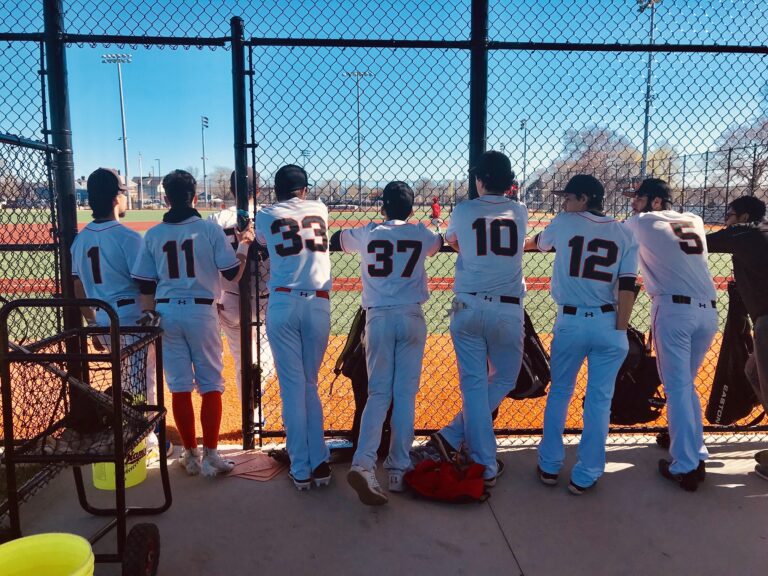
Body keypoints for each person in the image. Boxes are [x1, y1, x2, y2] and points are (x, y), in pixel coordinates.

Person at [132, 169, 253, 477]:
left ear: (166, 199)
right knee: (211, 385)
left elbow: (144, 284)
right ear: (195, 197)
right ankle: (211, 454)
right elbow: (232, 274)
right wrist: (244, 245)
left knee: (180, 387)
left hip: (166, 313)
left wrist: (148, 313)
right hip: (201, 312)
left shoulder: (154, 234)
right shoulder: (208, 229)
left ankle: (190, 455)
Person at [332, 181, 442, 505]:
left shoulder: (369, 231)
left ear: (383, 206)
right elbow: (438, 243)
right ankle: (397, 469)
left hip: (378, 317)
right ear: (411, 209)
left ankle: (363, 463)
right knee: (405, 395)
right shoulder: (420, 232)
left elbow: (337, 240)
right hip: (411, 315)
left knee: (378, 394)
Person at [528, 174, 638, 495]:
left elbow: (540, 242)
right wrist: (620, 331)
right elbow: (628, 286)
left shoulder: (565, 222)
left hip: (571, 322)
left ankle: (550, 465)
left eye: (569, 197)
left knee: (560, 392)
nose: (564, 203)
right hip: (610, 322)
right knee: (600, 401)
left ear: (585, 199)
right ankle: (586, 474)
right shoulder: (624, 232)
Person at [429, 150, 527, 487]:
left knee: (473, 383)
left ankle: (461, 442)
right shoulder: (520, 210)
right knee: (505, 377)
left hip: (464, 303)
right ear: (508, 181)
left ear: (481, 180)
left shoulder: (463, 209)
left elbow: (454, 242)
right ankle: (463, 444)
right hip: (508, 306)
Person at [70, 168, 171, 457]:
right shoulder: (128, 237)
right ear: (116, 198)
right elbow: (145, 282)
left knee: (128, 377)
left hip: (102, 317)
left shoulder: (80, 240)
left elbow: (78, 286)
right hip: (130, 317)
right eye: (124, 193)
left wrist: (92, 323)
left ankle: (139, 432)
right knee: (141, 379)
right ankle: (144, 441)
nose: (126, 199)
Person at [624, 178, 717, 492]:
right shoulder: (694, 220)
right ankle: (696, 454)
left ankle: (685, 466)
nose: (633, 203)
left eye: (638, 198)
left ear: (656, 202)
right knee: (684, 386)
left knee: (677, 389)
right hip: (708, 312)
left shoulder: (642, 222)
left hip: (674, 311)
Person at [254, 164, 332, 491]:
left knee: (293, 387)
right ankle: (320, 462)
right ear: (304, 190)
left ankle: (301, 468)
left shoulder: (265, 214)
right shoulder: (320, 209)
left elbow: (261, 241)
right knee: (309, 385)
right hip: (318, 303)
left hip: (284, 302)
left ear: (277, 190)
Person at [705, 195, 768, 481]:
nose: (726, 221)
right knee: (752, 372)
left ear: (743, 216)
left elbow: (699, 241)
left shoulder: (743, 232)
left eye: (729, 215)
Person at [208, 168, 274, 404]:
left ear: (231, 189)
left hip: (229, 297)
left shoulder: (215, 220)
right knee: (265, 361)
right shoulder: (269, 217)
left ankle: (251, 414)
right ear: (259, 190)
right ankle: (256, 398)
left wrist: (215, 296)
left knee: (241, 360)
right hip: (265, 299)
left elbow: (208, 261)